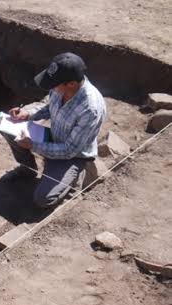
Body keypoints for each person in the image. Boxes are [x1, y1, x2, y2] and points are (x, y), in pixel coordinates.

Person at [6, 52, 106, 208]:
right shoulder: (60, 88)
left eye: (54, 84)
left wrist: (33, 145)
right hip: (53, 137)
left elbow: (69, 150)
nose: (51, 88)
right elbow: (49, 107)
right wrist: (27, 114)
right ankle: (28, 170)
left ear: (71, 84)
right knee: (8, 128)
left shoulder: (90, 109)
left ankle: (74, 181)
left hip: (73, 155)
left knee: (43, 199)